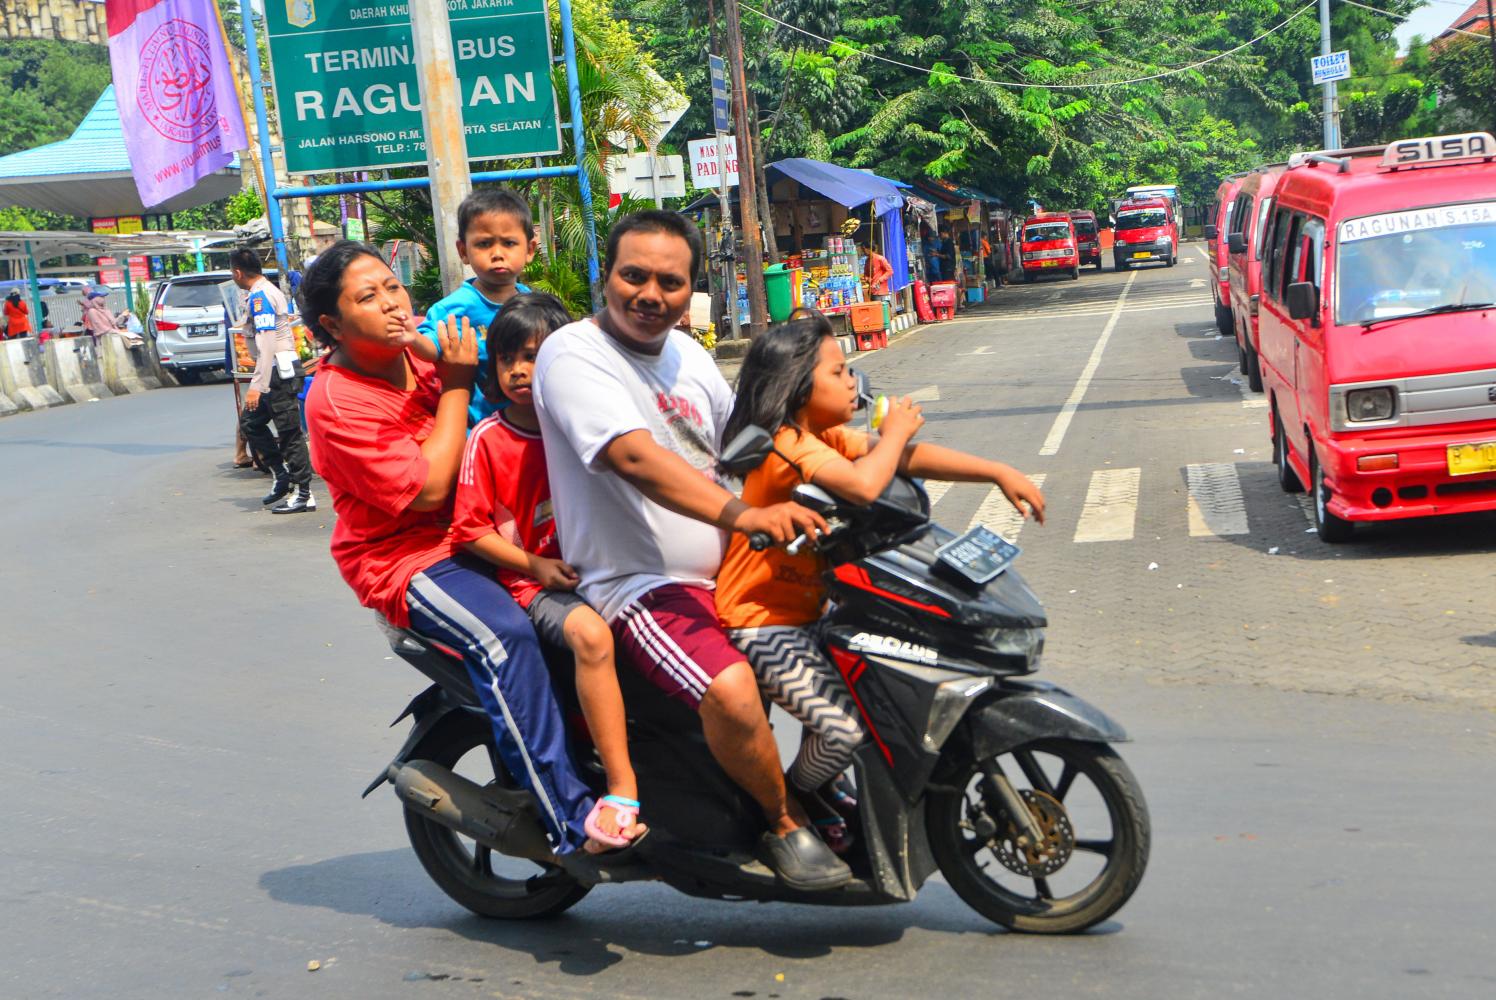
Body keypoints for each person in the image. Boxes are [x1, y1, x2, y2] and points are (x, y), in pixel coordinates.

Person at [532, 210, 852, 891]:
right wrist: (745, 513)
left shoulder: (689, 354)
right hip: (642, 585)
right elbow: (633, 456)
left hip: (733, 576)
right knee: (733, 689)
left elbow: (750, 438)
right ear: (606, 275)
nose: (650, 294)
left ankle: (819, 789)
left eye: (669, 283)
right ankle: (784, 822)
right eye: (634, 276)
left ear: (691, 291)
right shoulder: (574, 354)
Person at [301, 241, 625, 859]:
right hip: (414, 556)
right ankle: (573, 819)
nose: (393, 303)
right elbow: (427, 490)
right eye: (368, 298)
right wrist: (453, 384)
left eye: (392, 287)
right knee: (505, 636)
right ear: (332, 326)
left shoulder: (422, 351)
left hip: (500, 529)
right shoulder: (337, 401)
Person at [714, 314, 1047, 848]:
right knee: (844, 730)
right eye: (840, 372)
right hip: (760, 623)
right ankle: (793, 799)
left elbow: (902, 459)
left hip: (814, 615)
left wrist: (996, 470)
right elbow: (866, 485)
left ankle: (818, 790)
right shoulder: (787, 446)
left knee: (880, 702)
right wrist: (893, 432)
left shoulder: (819, 436)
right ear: (799, 383)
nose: (853, 382)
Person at [450, 292, 644, 849]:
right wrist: (534, 564)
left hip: (605, 570)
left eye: (535, 356)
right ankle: (621, 786)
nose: (519, 370)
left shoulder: (585, 427)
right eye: (509, 357)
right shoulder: (489, 439)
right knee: (590, 635)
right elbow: (469, 530)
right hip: (533, 585)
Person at [412, 187, 537, 423]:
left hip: (534, 428)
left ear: (529, 250)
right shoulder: (452, 309)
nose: (497, 254)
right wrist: (410, 337)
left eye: (509, 243)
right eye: (484, 244)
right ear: (463, 251)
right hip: (480, 430)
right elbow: (430, 347)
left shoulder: (535, 305)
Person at [231, 249, 315, 515]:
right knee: (251, 423)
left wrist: (257, 385)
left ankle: (304, 493)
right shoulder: (260, 294)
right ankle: (282, 475)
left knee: (289, 433)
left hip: (277, 372)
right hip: (273, 371)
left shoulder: (261, 297)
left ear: (237, 273)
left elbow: (266, 343)